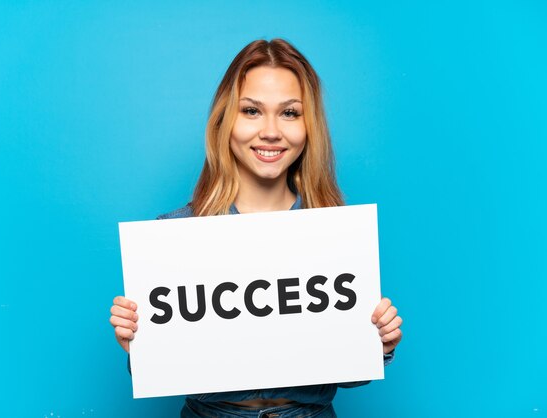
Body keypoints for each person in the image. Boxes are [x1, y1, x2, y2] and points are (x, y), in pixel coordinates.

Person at [110, 38, 403, 418]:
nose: (270, 131)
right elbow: (164, 372)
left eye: (290, 113)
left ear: (308, 125)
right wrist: (139, 344)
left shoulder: (337, 234)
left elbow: (350, 376)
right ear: (225, 119)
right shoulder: (174, 235)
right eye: (251, 111)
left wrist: (377, 344)